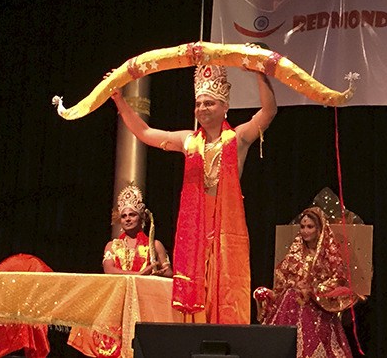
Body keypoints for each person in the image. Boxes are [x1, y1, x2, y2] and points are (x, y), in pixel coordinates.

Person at [110, 64, 277, 324]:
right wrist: (119, 100)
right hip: (196, 228)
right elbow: (144, 132)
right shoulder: (188, 141)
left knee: (225, 288)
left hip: (224, 227)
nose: (202, 109)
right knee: (195, 290)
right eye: (198, 104)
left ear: (224, 107)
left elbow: (268, 112)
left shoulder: (237, 138)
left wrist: (259, 73)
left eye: (209, 103)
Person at [68, 184, 172, 357]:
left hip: (144, 302)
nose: (128, 219)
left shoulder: (154, 245)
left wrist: (156, 274)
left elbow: (169, 273)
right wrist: (139, 275)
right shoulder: (112, 246)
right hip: (117, 302)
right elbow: (109, 270)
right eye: (124, 216)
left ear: (141, 218)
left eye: (132, 215)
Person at [253, 206, 359, 358]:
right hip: (290, 308)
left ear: (319, 229)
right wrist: (271, 293)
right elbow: (282, 281)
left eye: (310, 227)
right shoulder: (294, 254)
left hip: (318, 309)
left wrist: (315, 289)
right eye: (302, 227)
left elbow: (338, 279)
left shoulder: (329, 255)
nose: (305, 231)